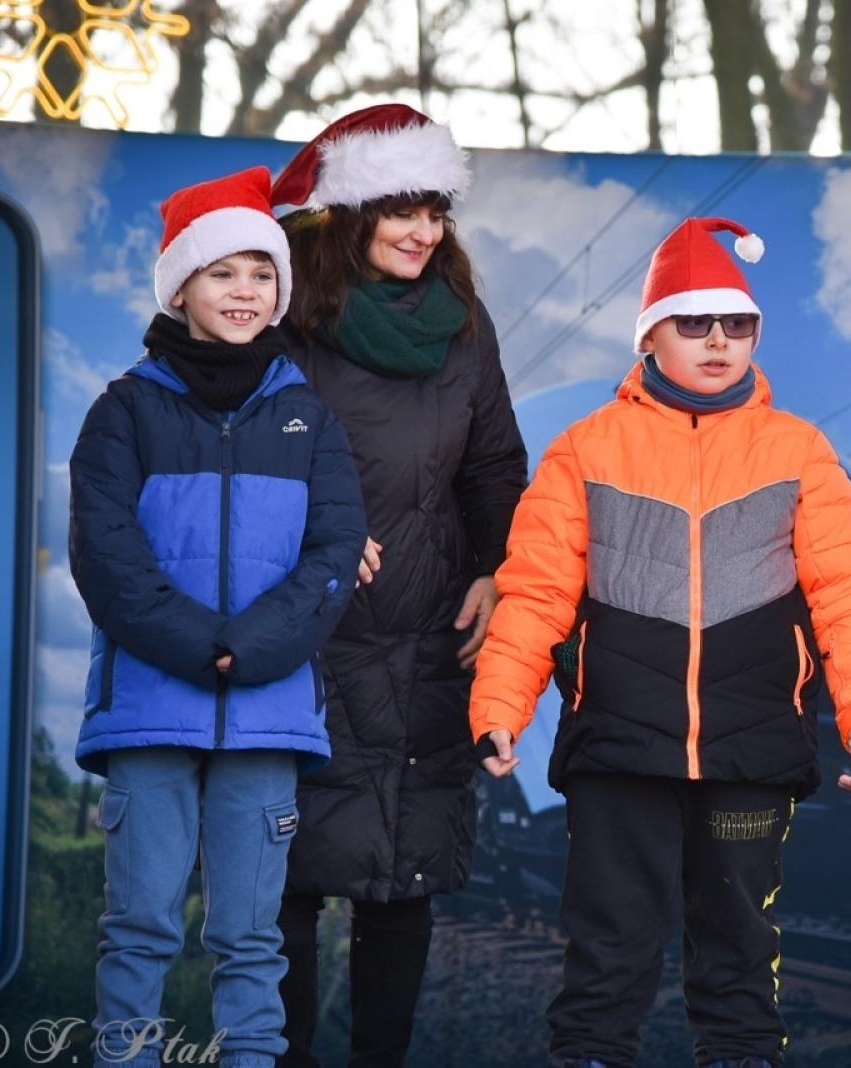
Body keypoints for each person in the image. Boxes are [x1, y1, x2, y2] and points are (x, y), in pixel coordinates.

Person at [468, 217, 851, 1068]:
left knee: (740, 950)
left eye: (736, 325)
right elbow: (536, 592)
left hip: (751, 750)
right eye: (694, 322)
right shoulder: (585, 449)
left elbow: (849, 595)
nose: (717, 341)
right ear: (650, 335)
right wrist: (498, 705)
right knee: (608, 947)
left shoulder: (801, 453)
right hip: (620, 747)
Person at [69, 166, 366, 1068]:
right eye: (224, 273)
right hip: (152, 714)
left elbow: (334, 554)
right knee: (140, 933)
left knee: (250, 940)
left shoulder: (309, 420)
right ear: (182, 285)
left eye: (262, 274)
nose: (247, 292)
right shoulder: (124, 411)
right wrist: (206, 647)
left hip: (269, 717)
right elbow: (106, 556)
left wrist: (253, 648)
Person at [267, 104, 529, 1067]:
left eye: (435, 212)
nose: (423, 232)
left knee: (401, 879)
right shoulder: (289, 316)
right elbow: (243, 456)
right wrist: (312, 531)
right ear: (348, 215)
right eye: (402, 211)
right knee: (285, 879)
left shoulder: (464, 326)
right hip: (307, 631)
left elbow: (496, 465)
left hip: (427, 632)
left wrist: (501, 571)